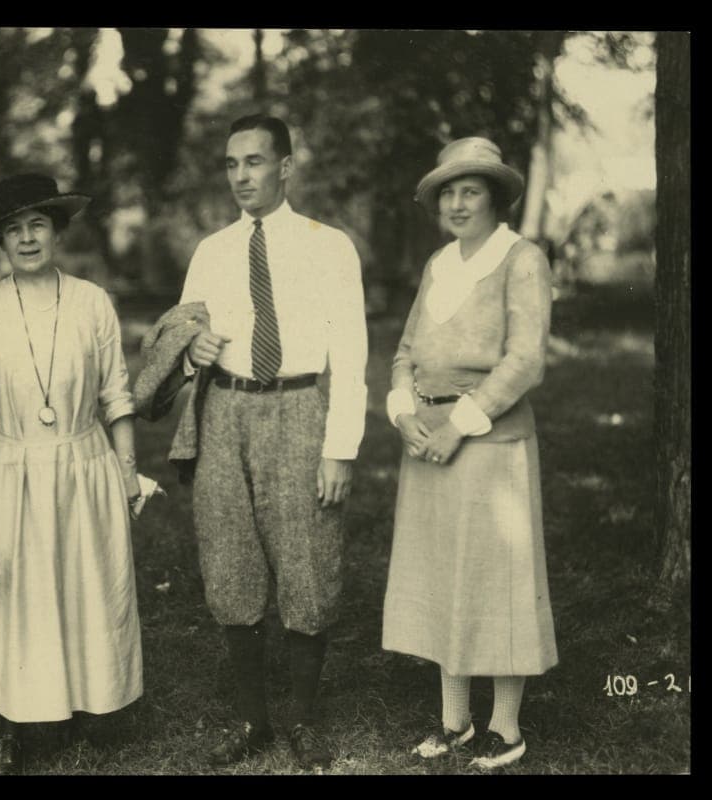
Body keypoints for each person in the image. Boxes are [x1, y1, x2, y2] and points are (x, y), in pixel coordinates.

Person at [170, 113, 368, 771]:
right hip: (226, 410)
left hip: (300, 406)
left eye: (253, 161)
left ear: (286, 164)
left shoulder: (327, 245)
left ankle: (304, 719)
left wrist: (339, 447)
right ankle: (254, 720)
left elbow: (353, 353)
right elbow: (184, 337)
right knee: (230, 558)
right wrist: (192, 348)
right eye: (231, 165)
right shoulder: (212, 250)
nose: (241, 177)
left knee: (308, 558)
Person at [0, 173, 143, 775]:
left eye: (37, 225)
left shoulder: (90, 300)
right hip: (9, 466)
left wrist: (127, 467)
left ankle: (97, 703)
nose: (27, 239)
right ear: (0, 242)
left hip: (84, 461)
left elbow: (117, 395)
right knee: (21, 594)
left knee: (88, 581)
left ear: (56, 231)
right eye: (13, 229)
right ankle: (32, 716)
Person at [381, 136, 558, 770]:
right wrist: (404, 413)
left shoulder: (522, 259)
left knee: (496, 579)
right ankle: (455, 721)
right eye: (447, 192)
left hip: (488, 439)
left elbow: (525, 360)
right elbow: (405, 351)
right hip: (426, 443)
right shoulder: (437, 265)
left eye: (470, 190)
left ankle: (504, 728)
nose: (457, 203)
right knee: (441, 576)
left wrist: (459, 423)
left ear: (496, 197)